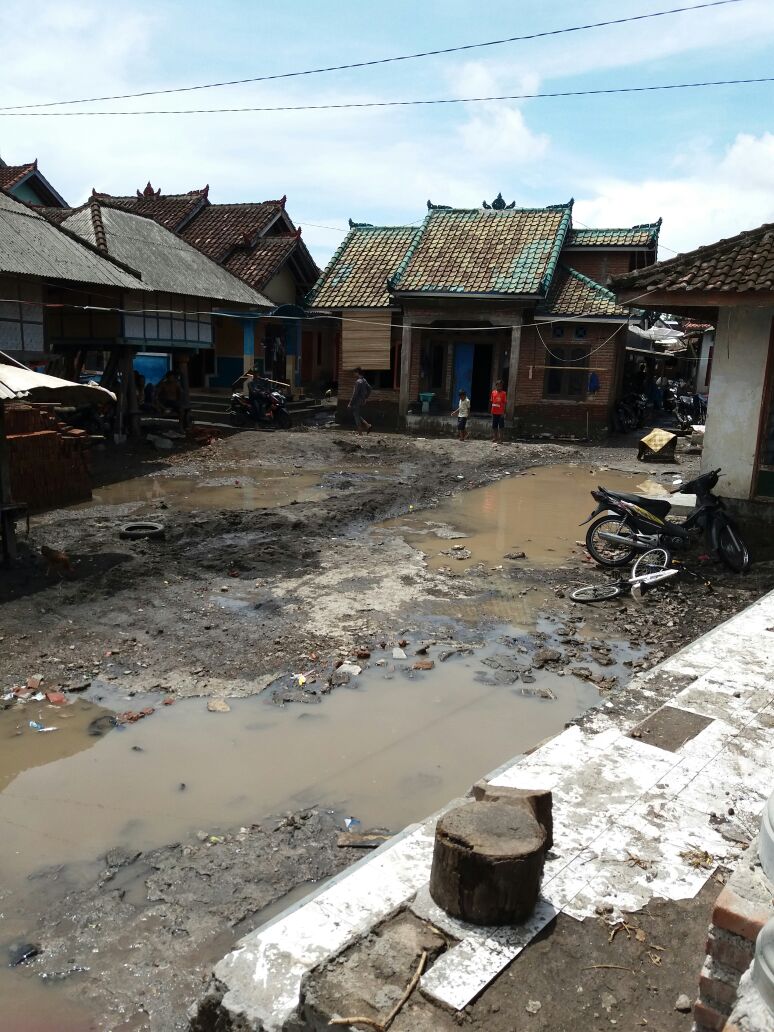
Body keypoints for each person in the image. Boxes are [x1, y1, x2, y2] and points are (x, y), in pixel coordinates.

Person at [348, 367, 372, 434]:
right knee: (357, 414)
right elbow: (370, 389)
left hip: (356, 401)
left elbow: (355, 394)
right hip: (362, 400)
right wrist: (365, 398)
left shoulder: (358, 382)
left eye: (354, 373)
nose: (353, 374)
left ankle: (360, 432)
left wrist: (350, 403)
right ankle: (367, 425)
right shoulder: (364, 380)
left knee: (356, 415)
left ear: (357, 373)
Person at [490, 379, 507, 443]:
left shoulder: (504, 393)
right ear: (496, 386)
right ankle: (495, 437)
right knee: (494, 426)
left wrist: (503, 412)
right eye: (498, 386)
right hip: (494, 412)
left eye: (501, 386)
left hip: (500, 413)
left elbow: (504, 403)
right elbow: (492, 402)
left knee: (501, 426)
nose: (499, 387)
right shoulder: (493, 392)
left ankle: (501, 439)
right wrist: (491, 411)